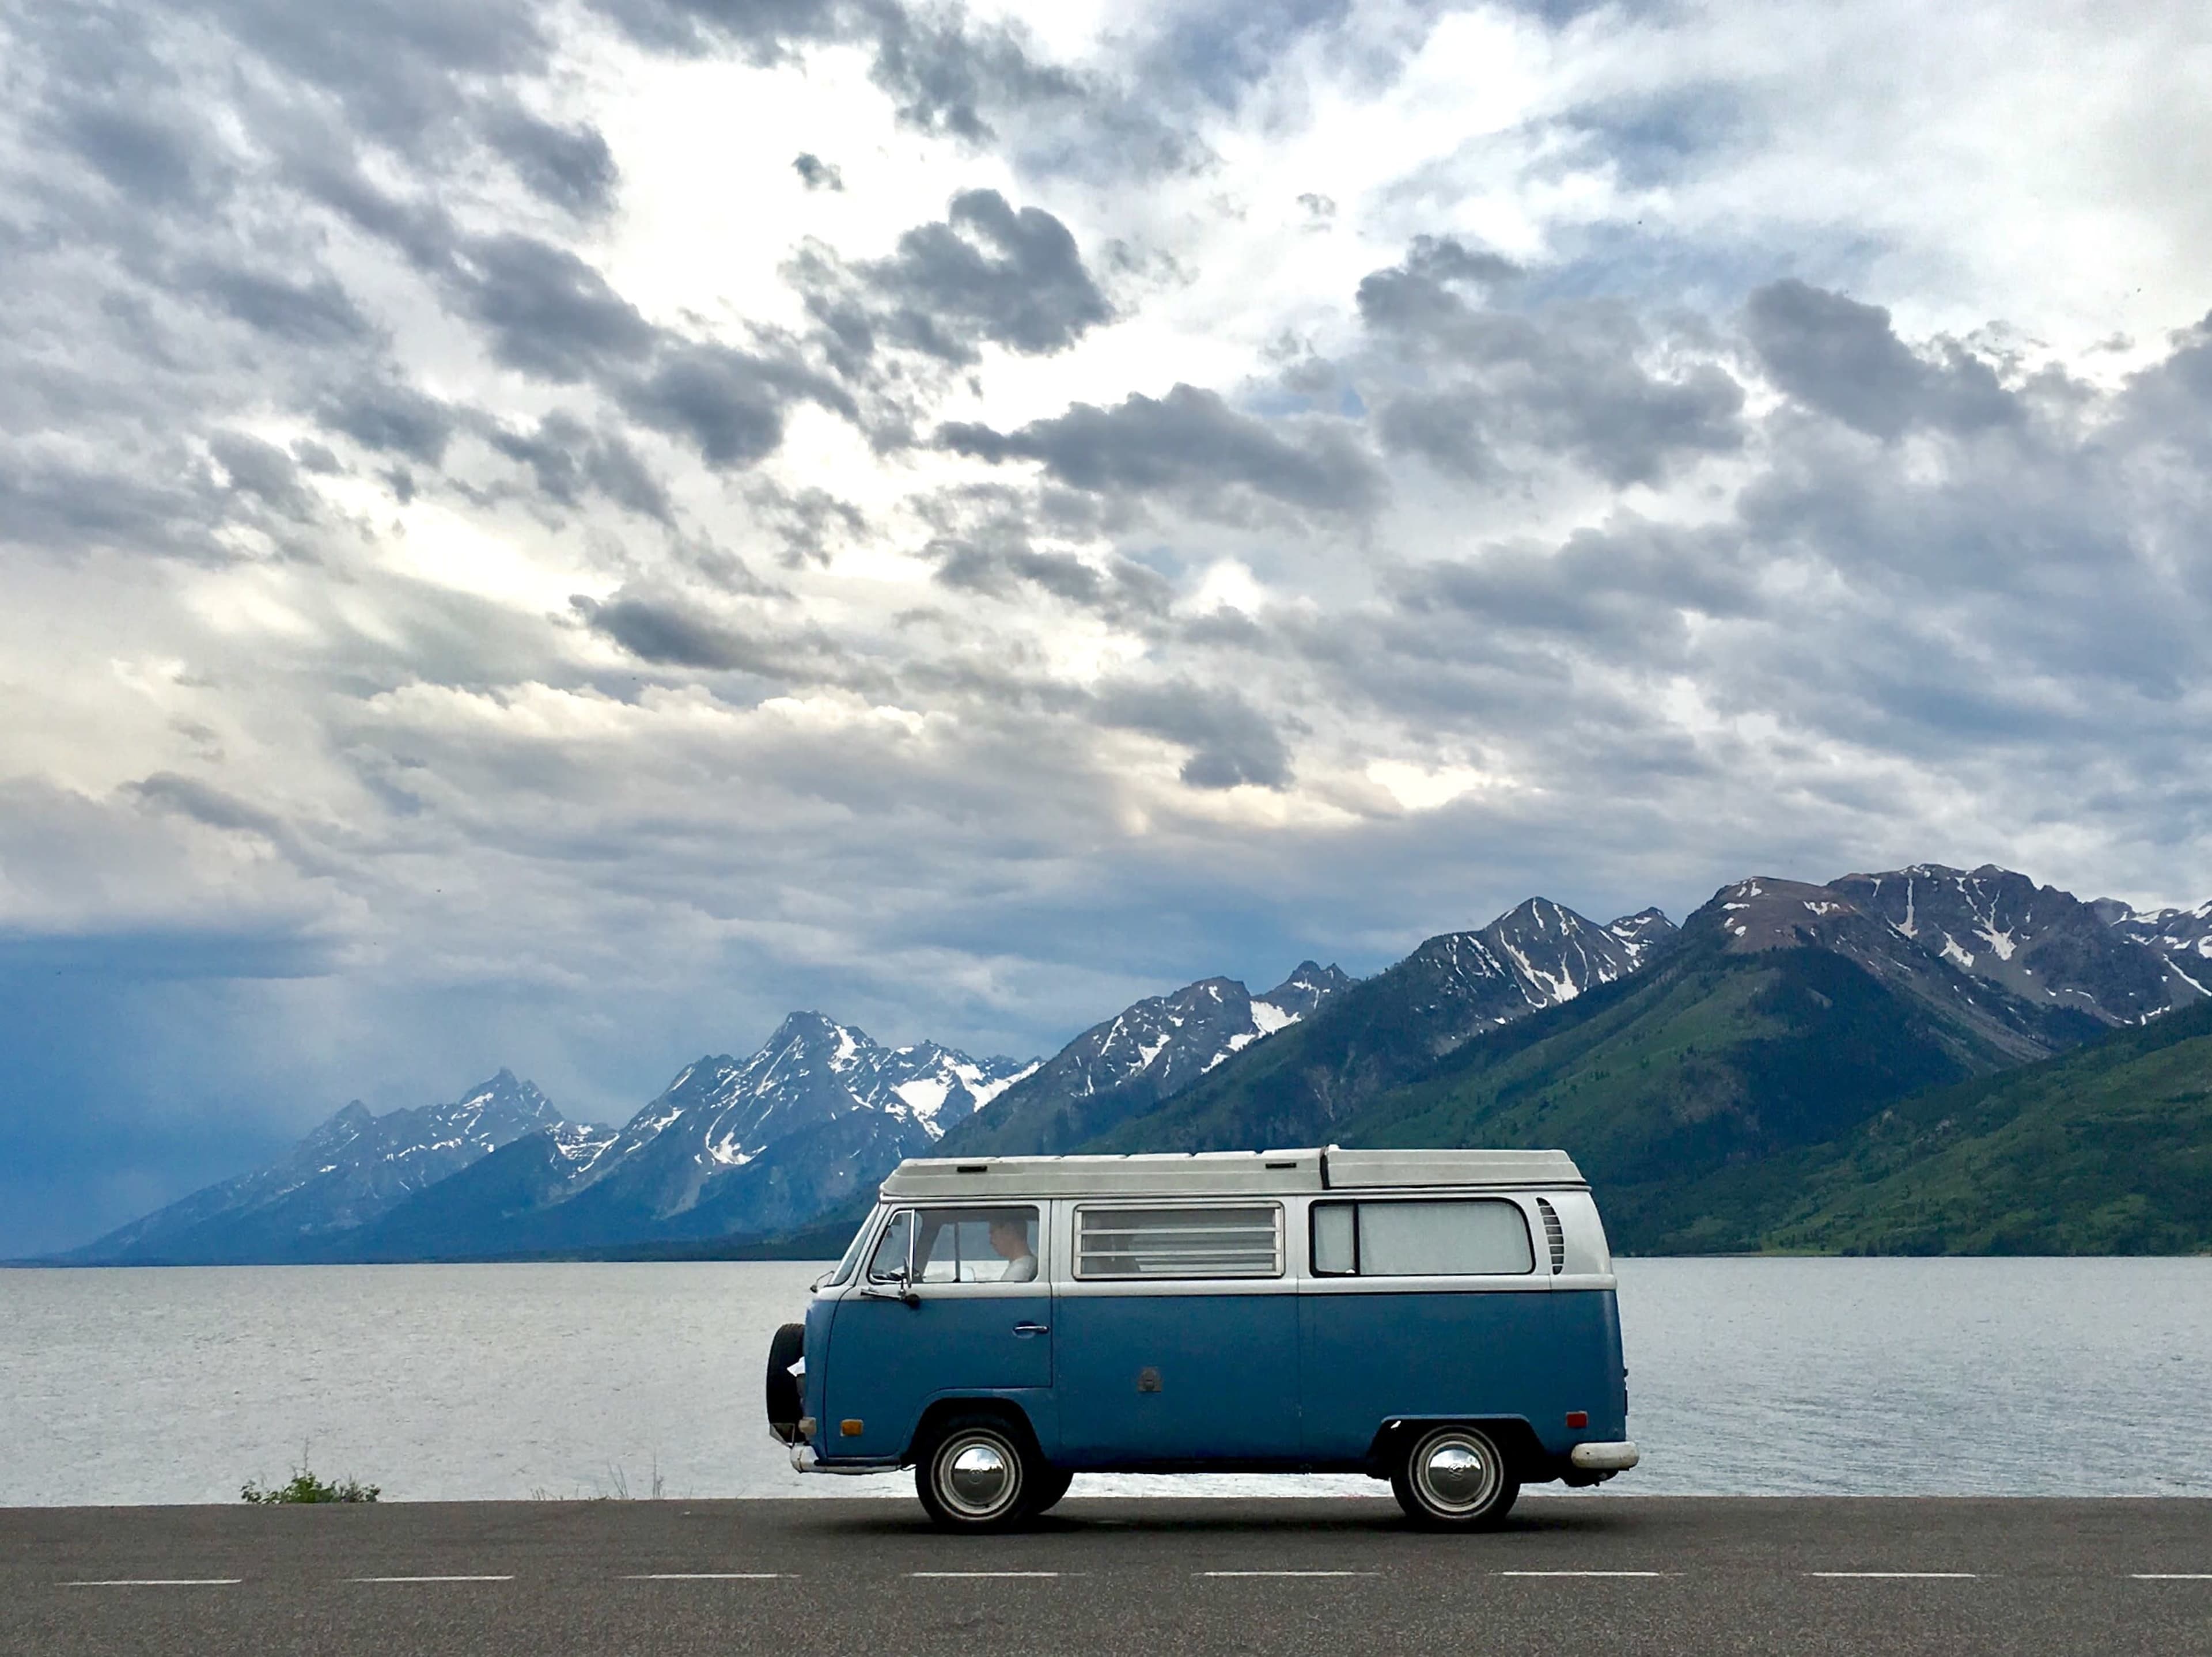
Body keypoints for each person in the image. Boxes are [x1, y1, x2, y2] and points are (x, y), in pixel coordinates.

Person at [987, 1216, 1037, 1283]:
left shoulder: (1017, 1274)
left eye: (993, 1234)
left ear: (1008, 1231)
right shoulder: (1029, 1265)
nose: (991, 1242)